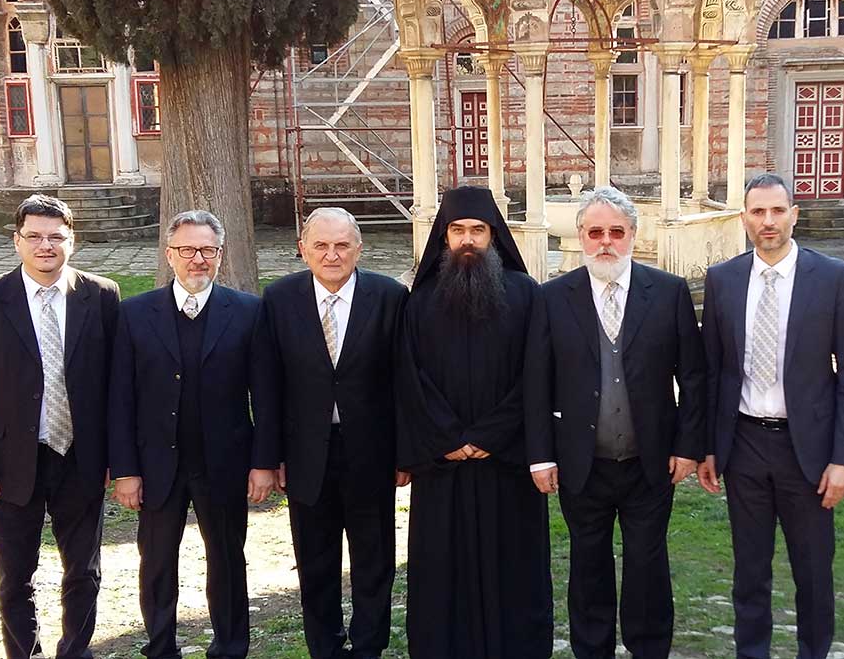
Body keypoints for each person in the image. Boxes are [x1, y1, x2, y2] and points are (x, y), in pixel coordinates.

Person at [525, 186, 705, 658]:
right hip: (581, 464)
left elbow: (693, 375)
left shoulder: (668, 292)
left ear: (633, 235)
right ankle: (592, 650)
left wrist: (688, 446)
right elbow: (536, 383)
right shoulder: (552, 297)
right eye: (595, 232)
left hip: (651, 463)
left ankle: (649, 648)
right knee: (588, 567)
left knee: (648, 565)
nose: (606, 241)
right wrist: (541, 456)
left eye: (616, 232)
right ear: (581, 236)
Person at [698, 173, 844, 659]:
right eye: (758, 212)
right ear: (744, 218)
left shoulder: (833, 278)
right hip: (745, 445)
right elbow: (713, 371)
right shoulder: (723, 279)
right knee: (750, 570)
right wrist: (709, 446)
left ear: (794, 214)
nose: (767, 221)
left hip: (807, 450)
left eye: (777, 211)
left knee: (813, 571)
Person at [0, 194, 120, 658]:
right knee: (14, 577)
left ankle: (75, 651)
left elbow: (116, 385)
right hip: (11, 461)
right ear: (17, 241)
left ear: (72, 240)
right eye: (34, 236)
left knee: (83, 571)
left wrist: (118, 457)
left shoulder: (102, 295)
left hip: (82, 458)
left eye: (55, 237)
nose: (45, 245)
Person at [396, 185, 553, 659]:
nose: (468, 239)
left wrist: (489, 435)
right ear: (444, 238)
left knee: (513, 567)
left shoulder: (525, 295)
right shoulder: (419, 302)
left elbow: (536, 374)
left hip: (506, 464)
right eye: (458, 230)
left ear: (494, 236)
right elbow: (410, 378)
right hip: (442, 466)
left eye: (478, 230)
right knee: (442, 567)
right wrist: (447, 437)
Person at [108, 210, 268, 658]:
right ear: (169, 255)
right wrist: (125, 470)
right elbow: (120, 399)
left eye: (207, 250)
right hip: (157, 465)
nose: (197, 259)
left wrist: (262, 462)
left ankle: (230, 647)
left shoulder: (249, 311)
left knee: (228, 561)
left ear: (220, 254)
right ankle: (161, 647)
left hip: (225, 463)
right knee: (157, 563)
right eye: (187, 250)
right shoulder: (134, 314)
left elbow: (266, 395)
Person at [252, 207, 408, 659]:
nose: (332, 254)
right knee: (315, 562)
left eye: (342, 245)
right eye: (320, 245)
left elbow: (404, 381)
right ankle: (325, 647)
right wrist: (269, 457)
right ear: (303, 250)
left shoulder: (390, 296)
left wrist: (405, 453)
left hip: (372, 454)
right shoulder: (279, 298)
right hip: (305, 455)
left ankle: (369, 646)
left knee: (374, 561)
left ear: (359, 248)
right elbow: (268, 386)